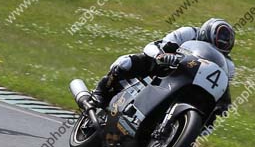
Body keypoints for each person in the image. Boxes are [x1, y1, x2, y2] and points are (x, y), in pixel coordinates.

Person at [92, 18, 236, 126]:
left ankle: (179, 133)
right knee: (126, 63)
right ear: (205, 34)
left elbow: (223, 86)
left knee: (212, 115)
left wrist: (224, 102)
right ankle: (100, 92)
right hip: (168, 67)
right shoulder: (188, 33)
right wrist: (160, 56)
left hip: (194, 82)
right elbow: (154, 46)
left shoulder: (229, 65)